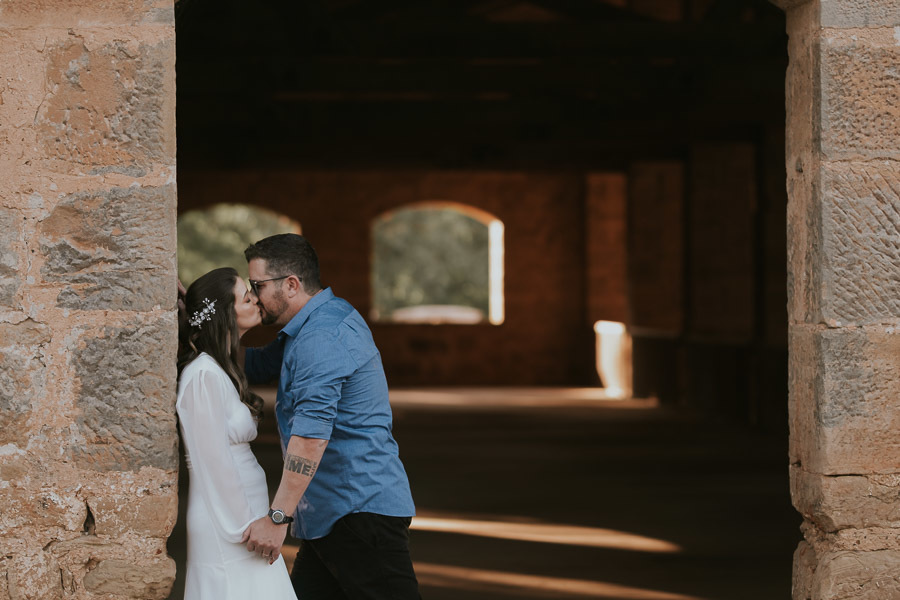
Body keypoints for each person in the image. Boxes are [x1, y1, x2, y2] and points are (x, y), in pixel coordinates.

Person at [239, 234, 420, 599]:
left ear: (291, 284)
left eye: (257, 285)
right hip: (335, 515)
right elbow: (255, 365)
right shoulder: (312, 324)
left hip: (357, 512)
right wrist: (196, 324)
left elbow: (311, 436)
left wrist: (277, 518)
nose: (254, 296)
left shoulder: (322, 337)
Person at [176, 267, 297, 600]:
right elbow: (213, 460)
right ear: (226, 314)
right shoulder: (202, 375)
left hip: (246, 514)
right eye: (246, 297)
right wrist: (245, 527)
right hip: (228, 521)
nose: (256, 300)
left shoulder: (220, 371)